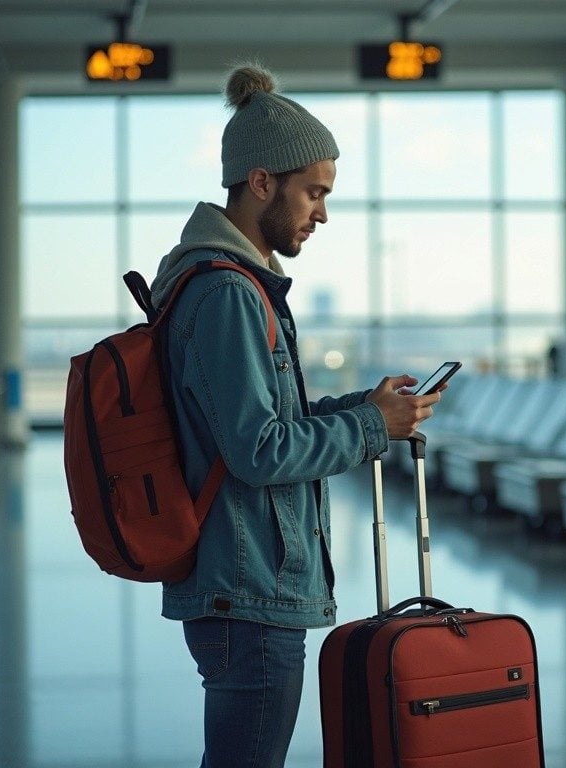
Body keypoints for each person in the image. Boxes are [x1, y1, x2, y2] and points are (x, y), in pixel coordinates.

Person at [147, 64, 443, 768]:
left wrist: (366, 409)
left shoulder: (231, 283)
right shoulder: (228, 294)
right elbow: (259, 450)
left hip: (245, 581)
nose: (322, 212)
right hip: (249, 589)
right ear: (261, 183)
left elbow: (261, 420)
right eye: (313, 191)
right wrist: (373, 429)